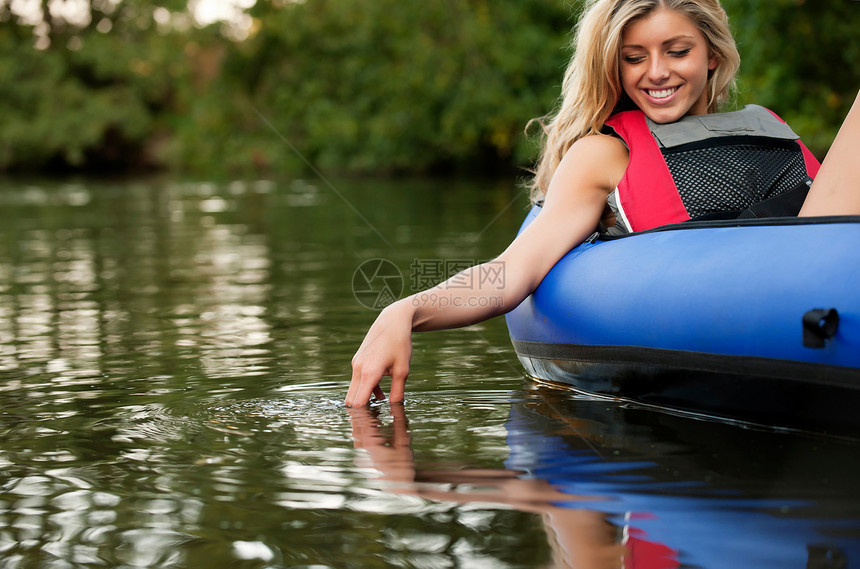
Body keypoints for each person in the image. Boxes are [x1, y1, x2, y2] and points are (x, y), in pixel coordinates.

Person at [346, 0, 860, 407]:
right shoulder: (604, 153)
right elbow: (513, 271)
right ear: (614, 67)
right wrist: (407, 309)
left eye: (676, 51)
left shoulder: (765, 130)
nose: (655, 73)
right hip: (778, 294)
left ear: (714, 56)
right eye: (634, 57)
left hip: (816, 252)